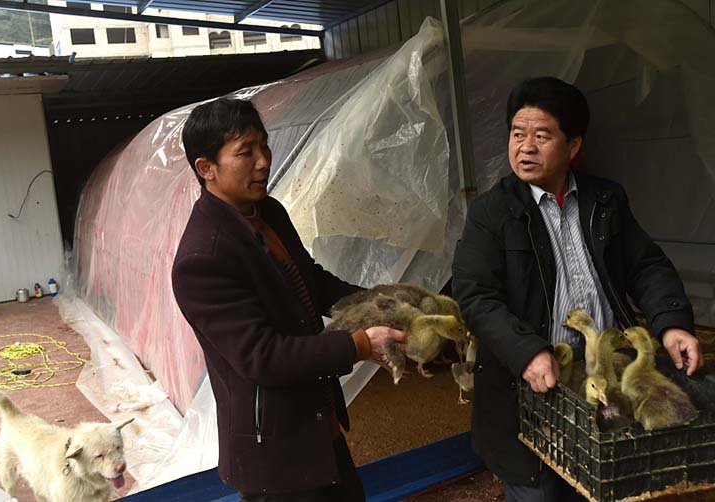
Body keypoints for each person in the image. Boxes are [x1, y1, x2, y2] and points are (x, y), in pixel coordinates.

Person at [451, 76, 701, 501]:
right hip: (531, 384)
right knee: (539, 491)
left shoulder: (605, 200)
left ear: (573, 146)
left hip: (604, 373)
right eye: (517, 134)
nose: (525, 148)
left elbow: (646, 266)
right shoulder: (492, 213)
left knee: (606, 483)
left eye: (541, 136)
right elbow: (475, 296)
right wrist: (526, 351)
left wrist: (672, 323)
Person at [172, 97, 405, 502]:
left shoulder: (268, 212)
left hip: (318, 428)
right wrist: (359, 345)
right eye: (245, 152)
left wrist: (380, 305)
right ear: (206, 168)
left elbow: (311, 281)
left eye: (264, 146)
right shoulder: (203, 258)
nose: (263, 161)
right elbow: (263, 356)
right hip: (275, 456)